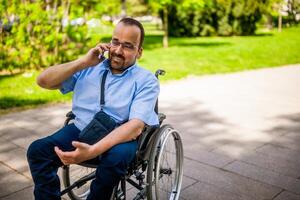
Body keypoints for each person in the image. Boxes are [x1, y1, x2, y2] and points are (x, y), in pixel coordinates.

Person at [27, 17, 159, 200]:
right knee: (37, 151)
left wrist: (91, 151)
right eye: (115, 42)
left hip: (119, 137)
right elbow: (43, 81)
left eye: (128, 46)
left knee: (116, 159)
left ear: (139, 52)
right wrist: (82, 62)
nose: (118, 51)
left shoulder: (146, 80)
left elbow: (135, 127)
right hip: (81, 129)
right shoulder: (89, 67)